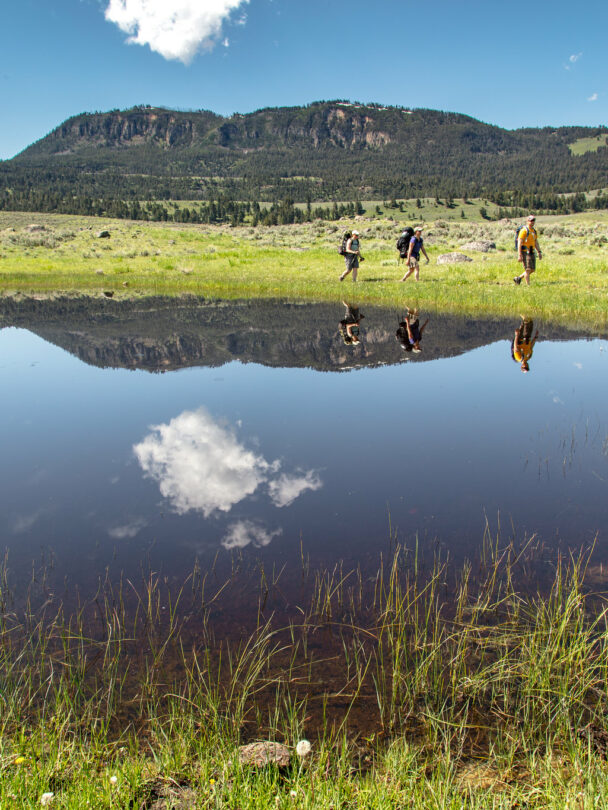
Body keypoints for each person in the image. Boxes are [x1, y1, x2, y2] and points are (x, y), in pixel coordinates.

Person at [514, 215, 542, 285]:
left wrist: (539, 251)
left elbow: (535, 242)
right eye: (531, 221)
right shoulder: (524, 231)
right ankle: (528, 285)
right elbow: (519, 242)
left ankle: (518, 278)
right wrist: (519, 255)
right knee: (528, 269)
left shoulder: (534, 231)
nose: (532, 222)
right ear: (527, 221)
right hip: (525, 252)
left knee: (532, 269)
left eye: (533, 221)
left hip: (532, 251)